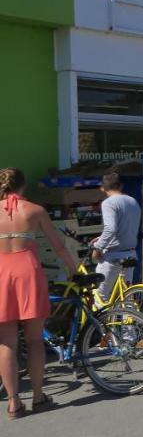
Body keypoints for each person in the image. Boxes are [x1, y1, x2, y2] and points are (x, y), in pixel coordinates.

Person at [1, 168, 78, 419]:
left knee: (7, 342)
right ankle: (38, 397)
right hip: (28, 271)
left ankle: (13, 402)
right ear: (23, 187)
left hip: (1, 271)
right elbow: (58, 246)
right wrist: (73, 267)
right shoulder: (35, 210)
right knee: (35, 340)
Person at [91, 171, 142, 304]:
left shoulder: (108, 203)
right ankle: (130, 324)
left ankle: (102, 325)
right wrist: (101, 237)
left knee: (100, 296)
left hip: (113, 255)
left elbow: (111, 229)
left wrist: (98, 247)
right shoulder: (133, 201)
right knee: (127, 296)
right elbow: (124, 227)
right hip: (130, 253)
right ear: (121, 186)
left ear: (102, 188)